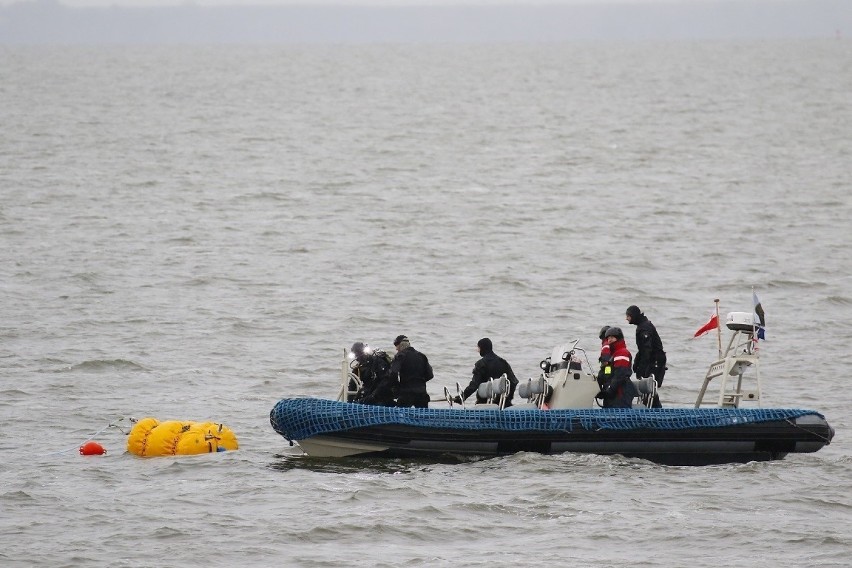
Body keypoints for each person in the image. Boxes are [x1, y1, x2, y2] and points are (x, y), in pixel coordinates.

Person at [455, 338, 519, 407]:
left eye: (478, 348)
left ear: (482, 348)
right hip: (503, 404)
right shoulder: (503, 362)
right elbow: (514, 382)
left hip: (484, 404)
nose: (478, 350)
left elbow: (474, 385)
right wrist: (506, 399)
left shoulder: (481, 364)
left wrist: (462, 397)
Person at [625, 305, 667, 408]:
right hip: (652, 359)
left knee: (649, 387)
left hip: (656, 360)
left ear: (633, 316)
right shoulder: (642, 325)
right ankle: (653, 410)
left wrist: (642, 368)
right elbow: (642, 350)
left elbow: (647, 350)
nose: (626, 318)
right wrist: (636, 363)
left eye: (628, 316)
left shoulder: (644, 328)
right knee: (648, 388)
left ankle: (656, 412)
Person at [595, 327, 638, 408]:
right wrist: (599, 385)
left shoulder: (622, 353)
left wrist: (609, 390)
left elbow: (620, 374)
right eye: (608, 338)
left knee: (619, 416)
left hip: (621, 392)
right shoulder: (613, 355)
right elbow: (607, 371)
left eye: (612, 337)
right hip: (613, 392)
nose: (609, 340)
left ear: (618, 338)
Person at [389, 335, 433, 408]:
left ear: (402, 345)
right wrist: (419, 382)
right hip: (421, 393)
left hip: (406, 393)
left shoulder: (400, 356)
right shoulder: (421, 356)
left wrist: (397, 387)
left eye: (397, 345)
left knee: (401, 417)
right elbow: (430, 375)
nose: (396, 349)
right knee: (422, 417)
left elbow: (393, 373)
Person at [349, 341, 396, 406]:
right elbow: (352, 385)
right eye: (356, 356)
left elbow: (385, 381)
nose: (358, 358)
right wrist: (348, 403)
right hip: (369, 393)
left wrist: (373, 396)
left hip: (381, 395)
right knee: (358, 400)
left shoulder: (377, 362)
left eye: (359, 355)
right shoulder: (359, 368)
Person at [596, 325, 614, 389]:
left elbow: (607, 362)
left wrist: (607, 375)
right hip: (611, 370)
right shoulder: (611, 344)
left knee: (598, 384)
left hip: (607, 371)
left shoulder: (606, 345)